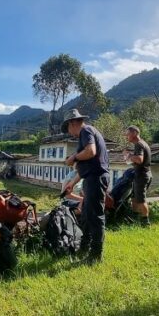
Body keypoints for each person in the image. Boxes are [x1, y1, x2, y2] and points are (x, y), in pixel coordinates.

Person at [62, 108, 109, 264]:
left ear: (73, 123)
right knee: (88, 216)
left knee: (95, 217)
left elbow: (90, 152)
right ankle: (85, 248)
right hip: (91, 178)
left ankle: (96, 255)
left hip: (96, 179)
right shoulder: (86, 133)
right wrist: (72, 184)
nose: (70, 133)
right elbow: (86, 167)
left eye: (68, 128)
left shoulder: (86, 131)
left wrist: (73, 157)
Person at [125, 125, 152, 227]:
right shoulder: (142, 144)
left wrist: (129, 156)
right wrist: (131, 157)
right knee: (135, 198)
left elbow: (140, 160)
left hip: (142, 175)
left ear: (135, 133)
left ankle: (145, 223)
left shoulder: (139, 145)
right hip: (142, 174)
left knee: (141, 199)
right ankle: (134, 219)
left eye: (128, 134)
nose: (127, 136)